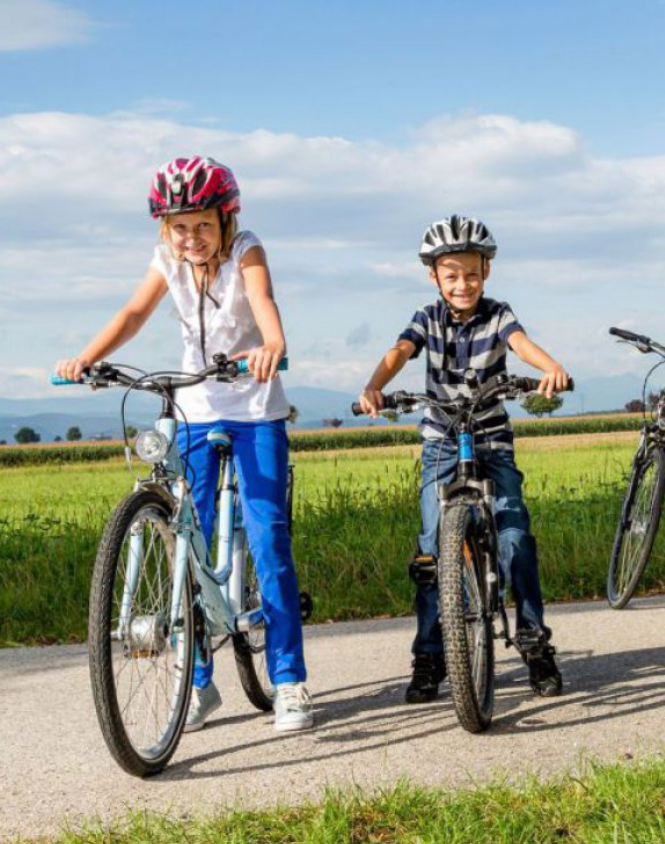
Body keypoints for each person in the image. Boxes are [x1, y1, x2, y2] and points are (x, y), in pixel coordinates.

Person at [54, 156, 313, 730]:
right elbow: (133, 311)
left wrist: (272, 343)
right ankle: (195, 683)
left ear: (225, 218)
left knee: (268, 537)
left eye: (201, 224)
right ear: (164, 230)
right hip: (192, 407)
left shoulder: (247, 249)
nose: (191, 238)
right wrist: (87, 358)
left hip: (253, 407)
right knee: (185, 544)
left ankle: (290, 681)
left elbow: (263, 301)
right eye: (178, 226)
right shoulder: (166, 261)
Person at [358, 214, 570, 701]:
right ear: (434, 276)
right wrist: (375, 385)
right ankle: (431, 655)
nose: (462, 284)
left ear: (487, 272)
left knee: (515, 536)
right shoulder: (425, 318)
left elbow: (520, 343)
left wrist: (550, 366)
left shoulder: (498, 314)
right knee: (433, 548)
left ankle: (535, 643)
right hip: (441, 442)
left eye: (471, 273)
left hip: (491, 439)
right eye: (451, 275)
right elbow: (399, 351)